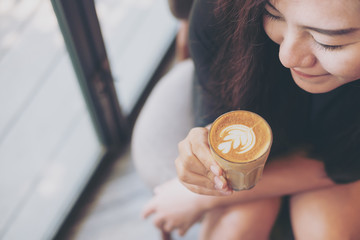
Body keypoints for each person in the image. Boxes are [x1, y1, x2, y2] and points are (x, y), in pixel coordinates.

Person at [132, 0, 360, 239]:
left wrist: (199, 198)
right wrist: (210, 143)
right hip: (279, 126)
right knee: (236, 229)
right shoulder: (221, 10)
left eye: (329, 42)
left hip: (341, 149)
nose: (287, 58)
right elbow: (227, 112)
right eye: (274, 15)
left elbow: (347, 163)